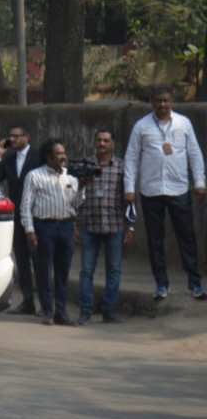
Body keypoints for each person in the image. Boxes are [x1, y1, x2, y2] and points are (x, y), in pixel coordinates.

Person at [123, 85, 207, 300]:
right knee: (155, 239)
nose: (162, 105)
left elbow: (194, 154)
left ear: (172, 102)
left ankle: (195, 282)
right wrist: (129, 189)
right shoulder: (141, 126)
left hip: (179, 188)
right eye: (158, 101)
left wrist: (199, 182)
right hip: (151, 190)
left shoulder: (183, 123)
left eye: (165, 101)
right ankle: (161, 284)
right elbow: (131, 158)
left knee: (187, 235)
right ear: (152, 102)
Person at [22, 139, 81, 326]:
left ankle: (61, 312)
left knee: (63, 271)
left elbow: (77, 204)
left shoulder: (70, 177)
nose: (63, 157)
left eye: (64, 153)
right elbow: (25, 205)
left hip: (66, 225)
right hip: (44, 226)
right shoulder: (35, 176)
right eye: (58, 153)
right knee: (44, 270)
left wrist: (84, 186)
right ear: (48, 157)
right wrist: (29, 230)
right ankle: (47, 310)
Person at [76, 129, 131, 325]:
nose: (102, 143)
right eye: (98, 140)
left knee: (114, 270)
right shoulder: (85, 166)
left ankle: (109, 310)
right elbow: (73, 197)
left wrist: (130, 226)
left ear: (113, 144)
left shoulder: (122, 167)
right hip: (89, 225)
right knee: (86, 270)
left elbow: (130, 198)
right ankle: (85, 310)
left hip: (115, 225)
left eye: (106, 140)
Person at [0, 124, 40, 314]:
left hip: (36, 213)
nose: (12, 139)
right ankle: (28, 300)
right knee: (22, 259)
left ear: (26, 137)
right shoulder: (9, 158)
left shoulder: (37, 156)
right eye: (10, 136)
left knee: (39, 259)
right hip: (17, 213)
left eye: (16, 136)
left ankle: (45, 302)